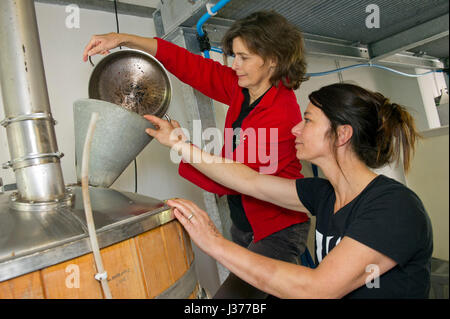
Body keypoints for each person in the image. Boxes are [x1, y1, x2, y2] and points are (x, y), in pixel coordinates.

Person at [83, 11, 311, 298]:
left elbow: (235, 179)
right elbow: (188, 64)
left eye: (244, 57)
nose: (234, 65)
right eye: (234, 56)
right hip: (245, 225)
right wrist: (123, 39)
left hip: (278, 229)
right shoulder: (243, 88)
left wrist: (180, 144)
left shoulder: (281, 112)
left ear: (273, 59)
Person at [145, 83, 433, 298]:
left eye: (307, 120)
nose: (295, 129)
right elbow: (249, 181)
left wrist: (214, 242)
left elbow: (318, 288)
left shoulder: (394, 207)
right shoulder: (325, 194)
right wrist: (178, 144)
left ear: (342, 134)